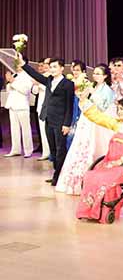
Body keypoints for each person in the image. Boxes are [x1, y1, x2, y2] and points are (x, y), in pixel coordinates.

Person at [76, 95, 123, 223]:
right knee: (90, 176)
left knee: (105, 179)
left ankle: (103, 211)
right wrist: (83, 101)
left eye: (122, 109)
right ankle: (89, 211)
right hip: (111, 162)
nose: (119, 111)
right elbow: (98, 117)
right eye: (118, 109)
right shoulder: (117, 124)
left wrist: (121, 160)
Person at [56, 64, 116, 195]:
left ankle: (96, 181)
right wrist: (82, 95)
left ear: (105, 76)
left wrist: (92, 94)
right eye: (94, 73)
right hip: (86, 120)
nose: (95, 76)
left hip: (97, 123)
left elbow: (102, 108)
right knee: (80, 148)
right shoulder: (92, 86)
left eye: (98, 73)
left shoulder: (108, 90)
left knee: (94, 149)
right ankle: (76, 181)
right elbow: (82, 102)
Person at [21, 56, 74, 185]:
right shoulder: (49, 80)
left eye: (55, 67)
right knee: (53, 149)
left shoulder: (68, 84)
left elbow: (69, 106)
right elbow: (36, 75)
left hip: (61, 121)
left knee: (60, 149)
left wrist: (67, 124)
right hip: (49, 119)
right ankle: (56, 173)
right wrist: (23, 64)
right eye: (51, 67)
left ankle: (59, 176)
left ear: (62, 68)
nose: (52, 69)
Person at [3, 66, 34, 158]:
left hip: (22, 106)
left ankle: (28, 150)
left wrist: (13, 81)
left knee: (26, 129)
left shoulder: (28, 75)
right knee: (14, 129)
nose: (17, 66)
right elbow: (9, 89)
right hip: (12, 105)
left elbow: (26, 90)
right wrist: (9, 81)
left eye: (19, 63)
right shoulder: (14, 75)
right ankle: (15, 149)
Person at [30, 57, 52, 160]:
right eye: (44, 64)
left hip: (50, 108)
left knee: (50, 132)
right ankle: (45, 152)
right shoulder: (41, 76)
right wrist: (36, 84)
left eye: (47, 64)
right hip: (40, 107)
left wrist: (39, 84)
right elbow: (34, 91)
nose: (45, 66)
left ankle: (52, 153)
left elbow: (50, 89)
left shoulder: (52, 77)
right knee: (42, 131)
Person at [64, 60, 86, 152]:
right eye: (74, 70)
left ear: (83, 71)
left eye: (78, 70)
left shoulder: (85, 82)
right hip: (70, 107)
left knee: (78, 132)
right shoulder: (70, 81)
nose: (75, 72)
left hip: (79, 108)